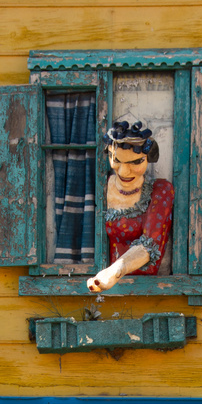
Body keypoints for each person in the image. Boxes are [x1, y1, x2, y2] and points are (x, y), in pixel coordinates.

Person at [86, 120, 174, 293]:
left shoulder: (160, 191)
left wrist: (114, 272)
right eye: (117, 161)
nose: (124, 172)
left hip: (145, 291)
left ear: (149, 158)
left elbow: (150, 244)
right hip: (106, 290)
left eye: (135, 162)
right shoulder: (100, 188)